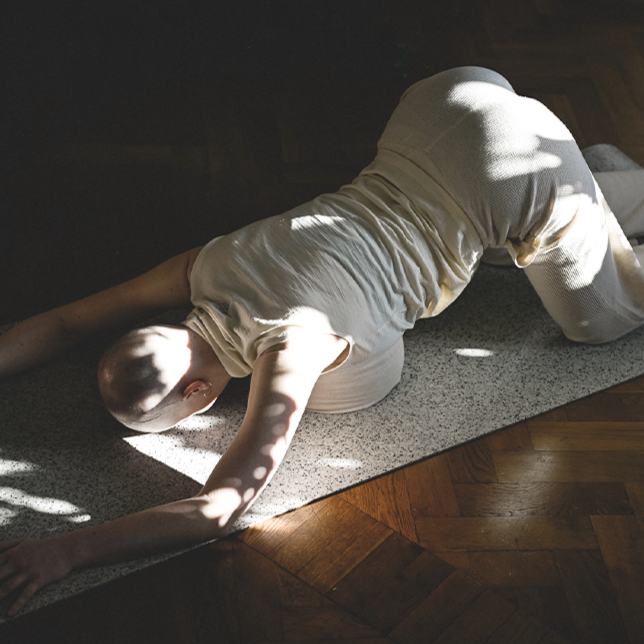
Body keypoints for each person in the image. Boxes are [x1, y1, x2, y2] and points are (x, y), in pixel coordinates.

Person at [2, 66, 644, 616]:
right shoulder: (205, 265)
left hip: (502, 172)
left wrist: (64, 551)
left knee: (605, 321)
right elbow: (66, 322)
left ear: (198, 394)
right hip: (441, 105)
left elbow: (219, 505)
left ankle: (574, 184)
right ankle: (589, 178)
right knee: (511, 243)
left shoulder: (292, 350)